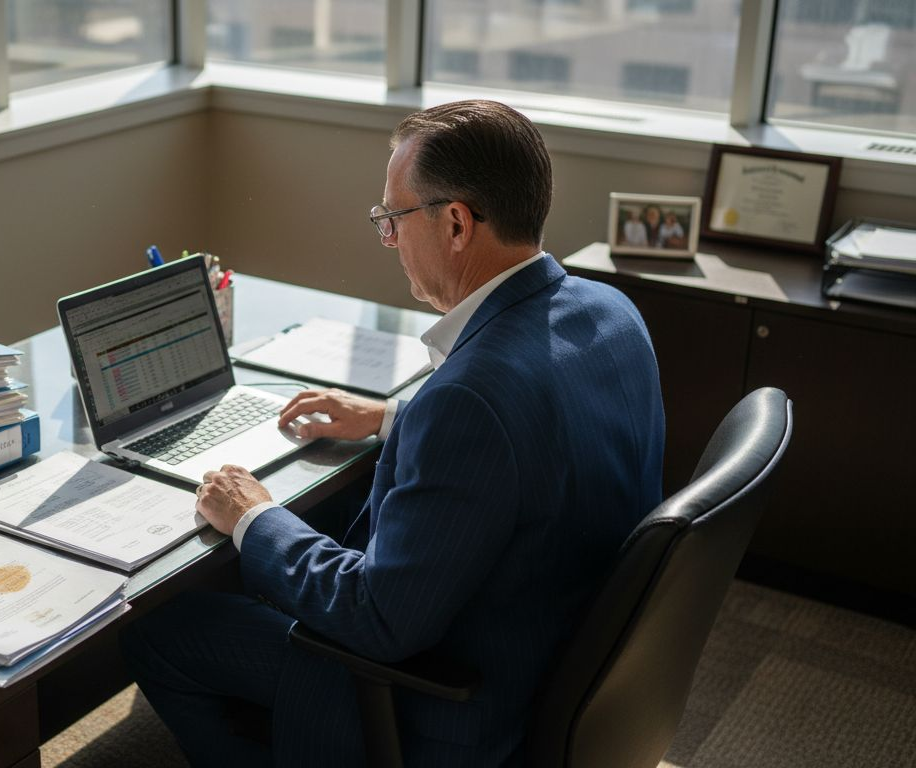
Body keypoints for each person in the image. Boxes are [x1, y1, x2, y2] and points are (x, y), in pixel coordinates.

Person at [120, 100, 665, 767]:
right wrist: (391, 418)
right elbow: (543, 432)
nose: (388, 240)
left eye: (393, 219)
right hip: (549, 643)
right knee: (317, 520)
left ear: (456, 223)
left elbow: (375, 619)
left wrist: (253, 516)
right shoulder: (611, 312)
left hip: (457, 705)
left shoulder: (470, 399)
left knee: (159, 625)